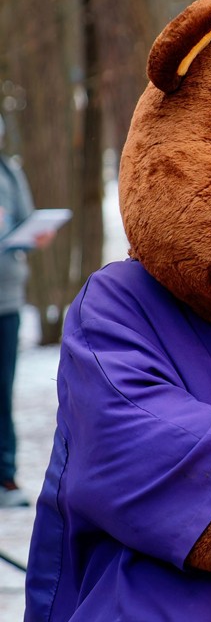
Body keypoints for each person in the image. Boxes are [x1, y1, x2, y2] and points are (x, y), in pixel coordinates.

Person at [0, 114, 55, 508]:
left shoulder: (9, 172)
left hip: (7, 298)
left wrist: (36, 234)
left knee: (3, 389)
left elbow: (24, 220)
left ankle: (5, 477)